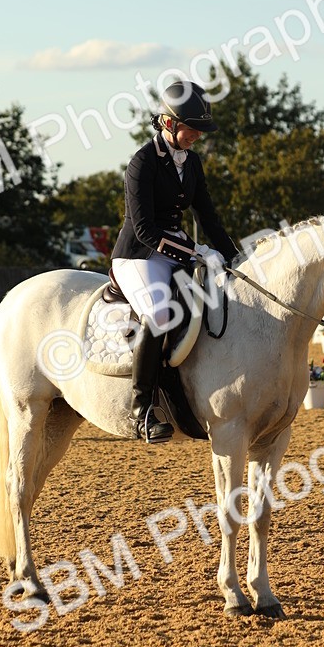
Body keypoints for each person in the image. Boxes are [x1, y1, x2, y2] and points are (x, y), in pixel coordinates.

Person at [111, 81, 238, 443]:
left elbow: (208, 216)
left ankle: (185, 393)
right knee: (161, 314)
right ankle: (142, 408)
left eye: (200, 129)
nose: (196, 135)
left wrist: (233, 257)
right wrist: (194, 253)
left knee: (212, 301)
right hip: (138, 254)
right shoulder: (142, 163)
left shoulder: (192, 162)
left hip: (175, 250)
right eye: (191, 128)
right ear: (168, 123)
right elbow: (146, 229)